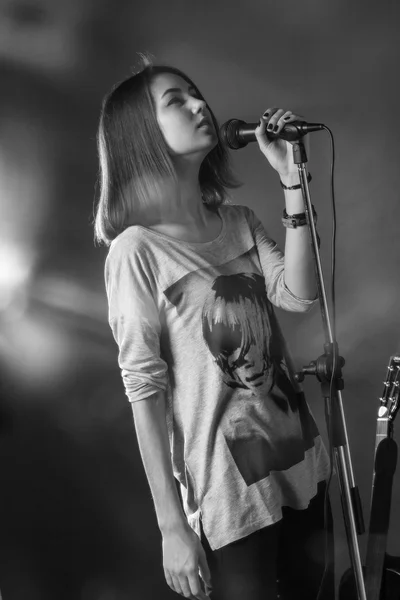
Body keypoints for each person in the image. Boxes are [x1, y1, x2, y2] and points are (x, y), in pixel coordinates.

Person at [94, 55, 334, 600]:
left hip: (302, 465)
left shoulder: (239, 221)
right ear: (139, 134)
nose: (200, 105)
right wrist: (171, 527)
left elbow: (300, 293)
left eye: (196, 93)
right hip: (233, 498)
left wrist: (292, 180)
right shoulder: (137, 252)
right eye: (175, 101)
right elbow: (144, 388)